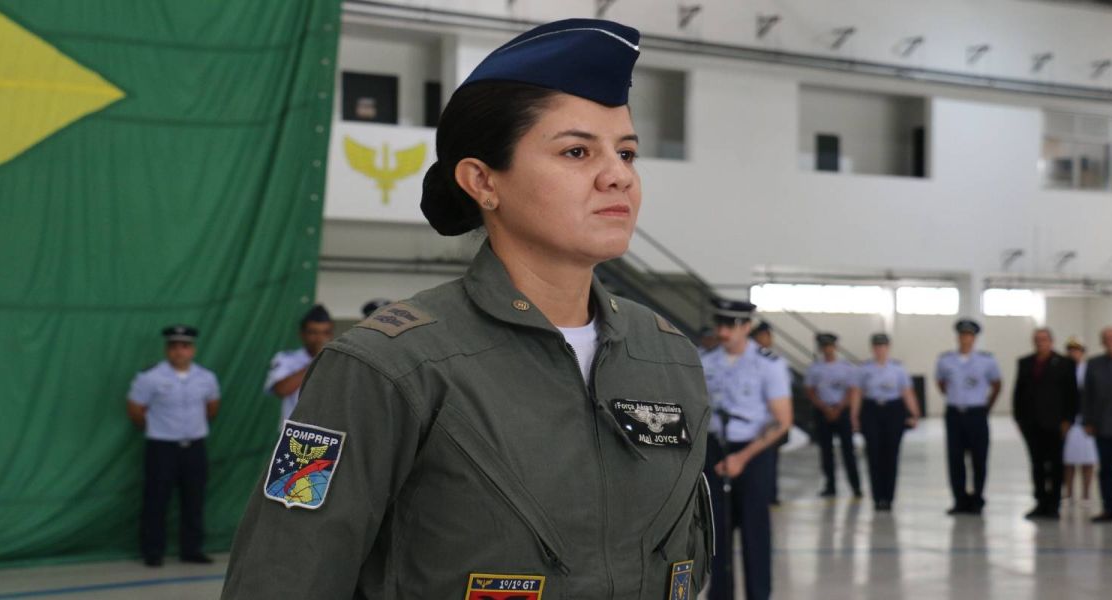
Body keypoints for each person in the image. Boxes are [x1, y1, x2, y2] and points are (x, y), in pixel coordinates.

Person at [222, 19, 714, 599]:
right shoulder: (389, 367)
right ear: (482, 180)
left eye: (627, 152)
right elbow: (282, 577)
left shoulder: (668, 357)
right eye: (578, 151)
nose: (618, 176)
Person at [700, 299, 793, 600]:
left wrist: (742, 457)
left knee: (755, 533)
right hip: (714, 451)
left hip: (753, 452)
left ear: (747, 326)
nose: (723, 332)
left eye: (731, 326)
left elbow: (782, 422)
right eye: (720, 325)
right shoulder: (705, 360)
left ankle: (759, 594)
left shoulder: (769, 364)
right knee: (716, 533)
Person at [125, 325, 221, 567]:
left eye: (185, 346)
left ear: (193, 350)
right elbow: (135, 410)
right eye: (174, 346)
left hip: (195, 446)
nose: (180, 351)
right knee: (156, 500)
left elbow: (212, 407)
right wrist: (159, 428)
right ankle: (153, 551)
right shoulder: (150, 377)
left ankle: (192, 549)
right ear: (168, 349)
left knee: (194, 499)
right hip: (161, 447)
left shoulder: (206, 377)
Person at [936, 318, 1002, 515]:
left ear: (974, 338)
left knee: (979, 458)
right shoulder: (945, 360)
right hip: (955, 414)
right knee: (955, 458)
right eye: (962, 335)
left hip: (976, 413)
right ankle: (959, 500)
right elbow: (940, 382)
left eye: (969, 335)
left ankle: (978, 498)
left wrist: (986, 407)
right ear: (958, 337)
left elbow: (997, 384)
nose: (966, 339)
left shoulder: (987, 360)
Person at [1012, 328, 1078, 519]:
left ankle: (1054, 504)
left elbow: (1072, 394)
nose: (1041, 342)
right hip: (1031, 424)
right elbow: (1018, 393)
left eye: (1044, 339)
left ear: (1051, 341)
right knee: (1037, 464)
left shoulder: (1065, 364)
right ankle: (1040, 502)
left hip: (1056, 423)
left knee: (1056, 464)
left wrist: (1068, 420)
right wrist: (1019, 418)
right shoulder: (1025, 363)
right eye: (1037, 339)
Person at [850, 333, 920, 512]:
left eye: (883, 346)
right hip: (872, 410)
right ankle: (877, 497)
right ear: (872, 348)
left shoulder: (898, 369)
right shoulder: (864, 369)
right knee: (873, 454)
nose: (880, 349)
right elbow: (857, 393)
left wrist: (915, 413)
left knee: (891, 454)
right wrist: (854, 416)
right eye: (877, 346)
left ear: (888, 348)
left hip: (893, 410)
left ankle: (888, 497)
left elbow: (906, 392)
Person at [804, 332, 862, 498]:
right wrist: (825, 408)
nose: (827, 349)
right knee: (826, 452)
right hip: (823, 412)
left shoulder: (846, 367)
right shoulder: (814, 368)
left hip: (841, 411)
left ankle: (855, 486)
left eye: (830, 346)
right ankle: (830, 486)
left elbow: (851, 391)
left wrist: (839, 408)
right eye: (824, 346)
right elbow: (810, 391)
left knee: (848, 451)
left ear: (835, 347)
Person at [264, 305, 334, 428]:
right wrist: (316, 361)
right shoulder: (287, 358)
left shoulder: (338, 360)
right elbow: (281, 390)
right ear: (302, 334)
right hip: (294, 431)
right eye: (313, 333)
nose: (320, 338)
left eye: (325, 333)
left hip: (329, 430)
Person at [1082, 326, 1112, 523]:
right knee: (1105, 470)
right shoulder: (1094, 364)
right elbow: (1087, 395)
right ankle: (1109, 509)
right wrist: (1088, 421)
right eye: (1107, 338)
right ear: (1102, 342)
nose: (1111, 341)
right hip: (1103, 427)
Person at [750, 320, 784, 507]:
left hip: (772, 420)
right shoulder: (749, 360)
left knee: (771, 459)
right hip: (756, 420)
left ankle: (771, 493)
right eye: (764, 335)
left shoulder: (774, 361)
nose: (767, 339)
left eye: (769, 335)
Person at [1063, 336, 1097, 502]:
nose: (1073, 354)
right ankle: (1068, 493)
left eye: (1077, 351)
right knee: (1068, 460)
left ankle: (1086, 494)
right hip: (1069, 422)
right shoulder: (1063, 370)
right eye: (1070, 351)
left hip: (1086, 421)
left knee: (1087, 460)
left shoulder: (1088, 370)